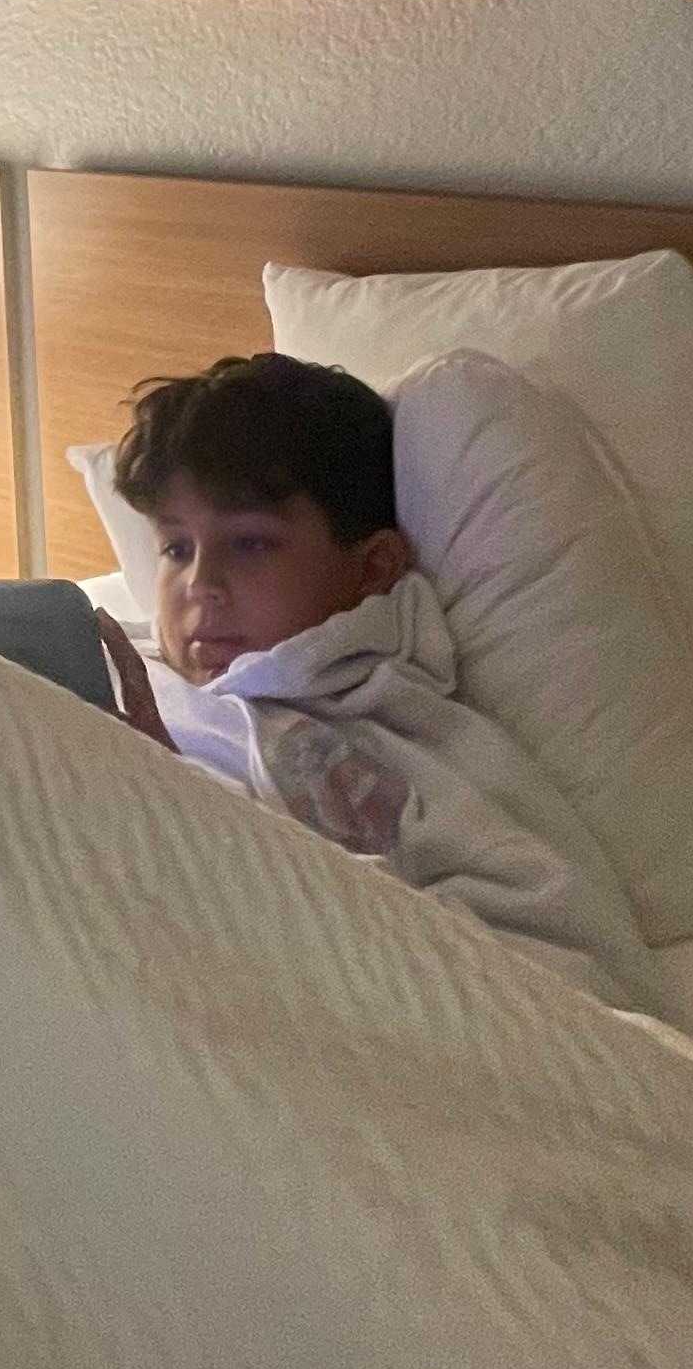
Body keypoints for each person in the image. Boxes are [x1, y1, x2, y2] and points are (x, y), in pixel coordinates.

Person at [94, 350, 653, 995]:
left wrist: (185, 810)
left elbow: (569, 981)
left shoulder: (396, 749)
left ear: (373, 567)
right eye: (176, 548)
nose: (200, 584)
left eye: (250, 543)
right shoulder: (109, 658)